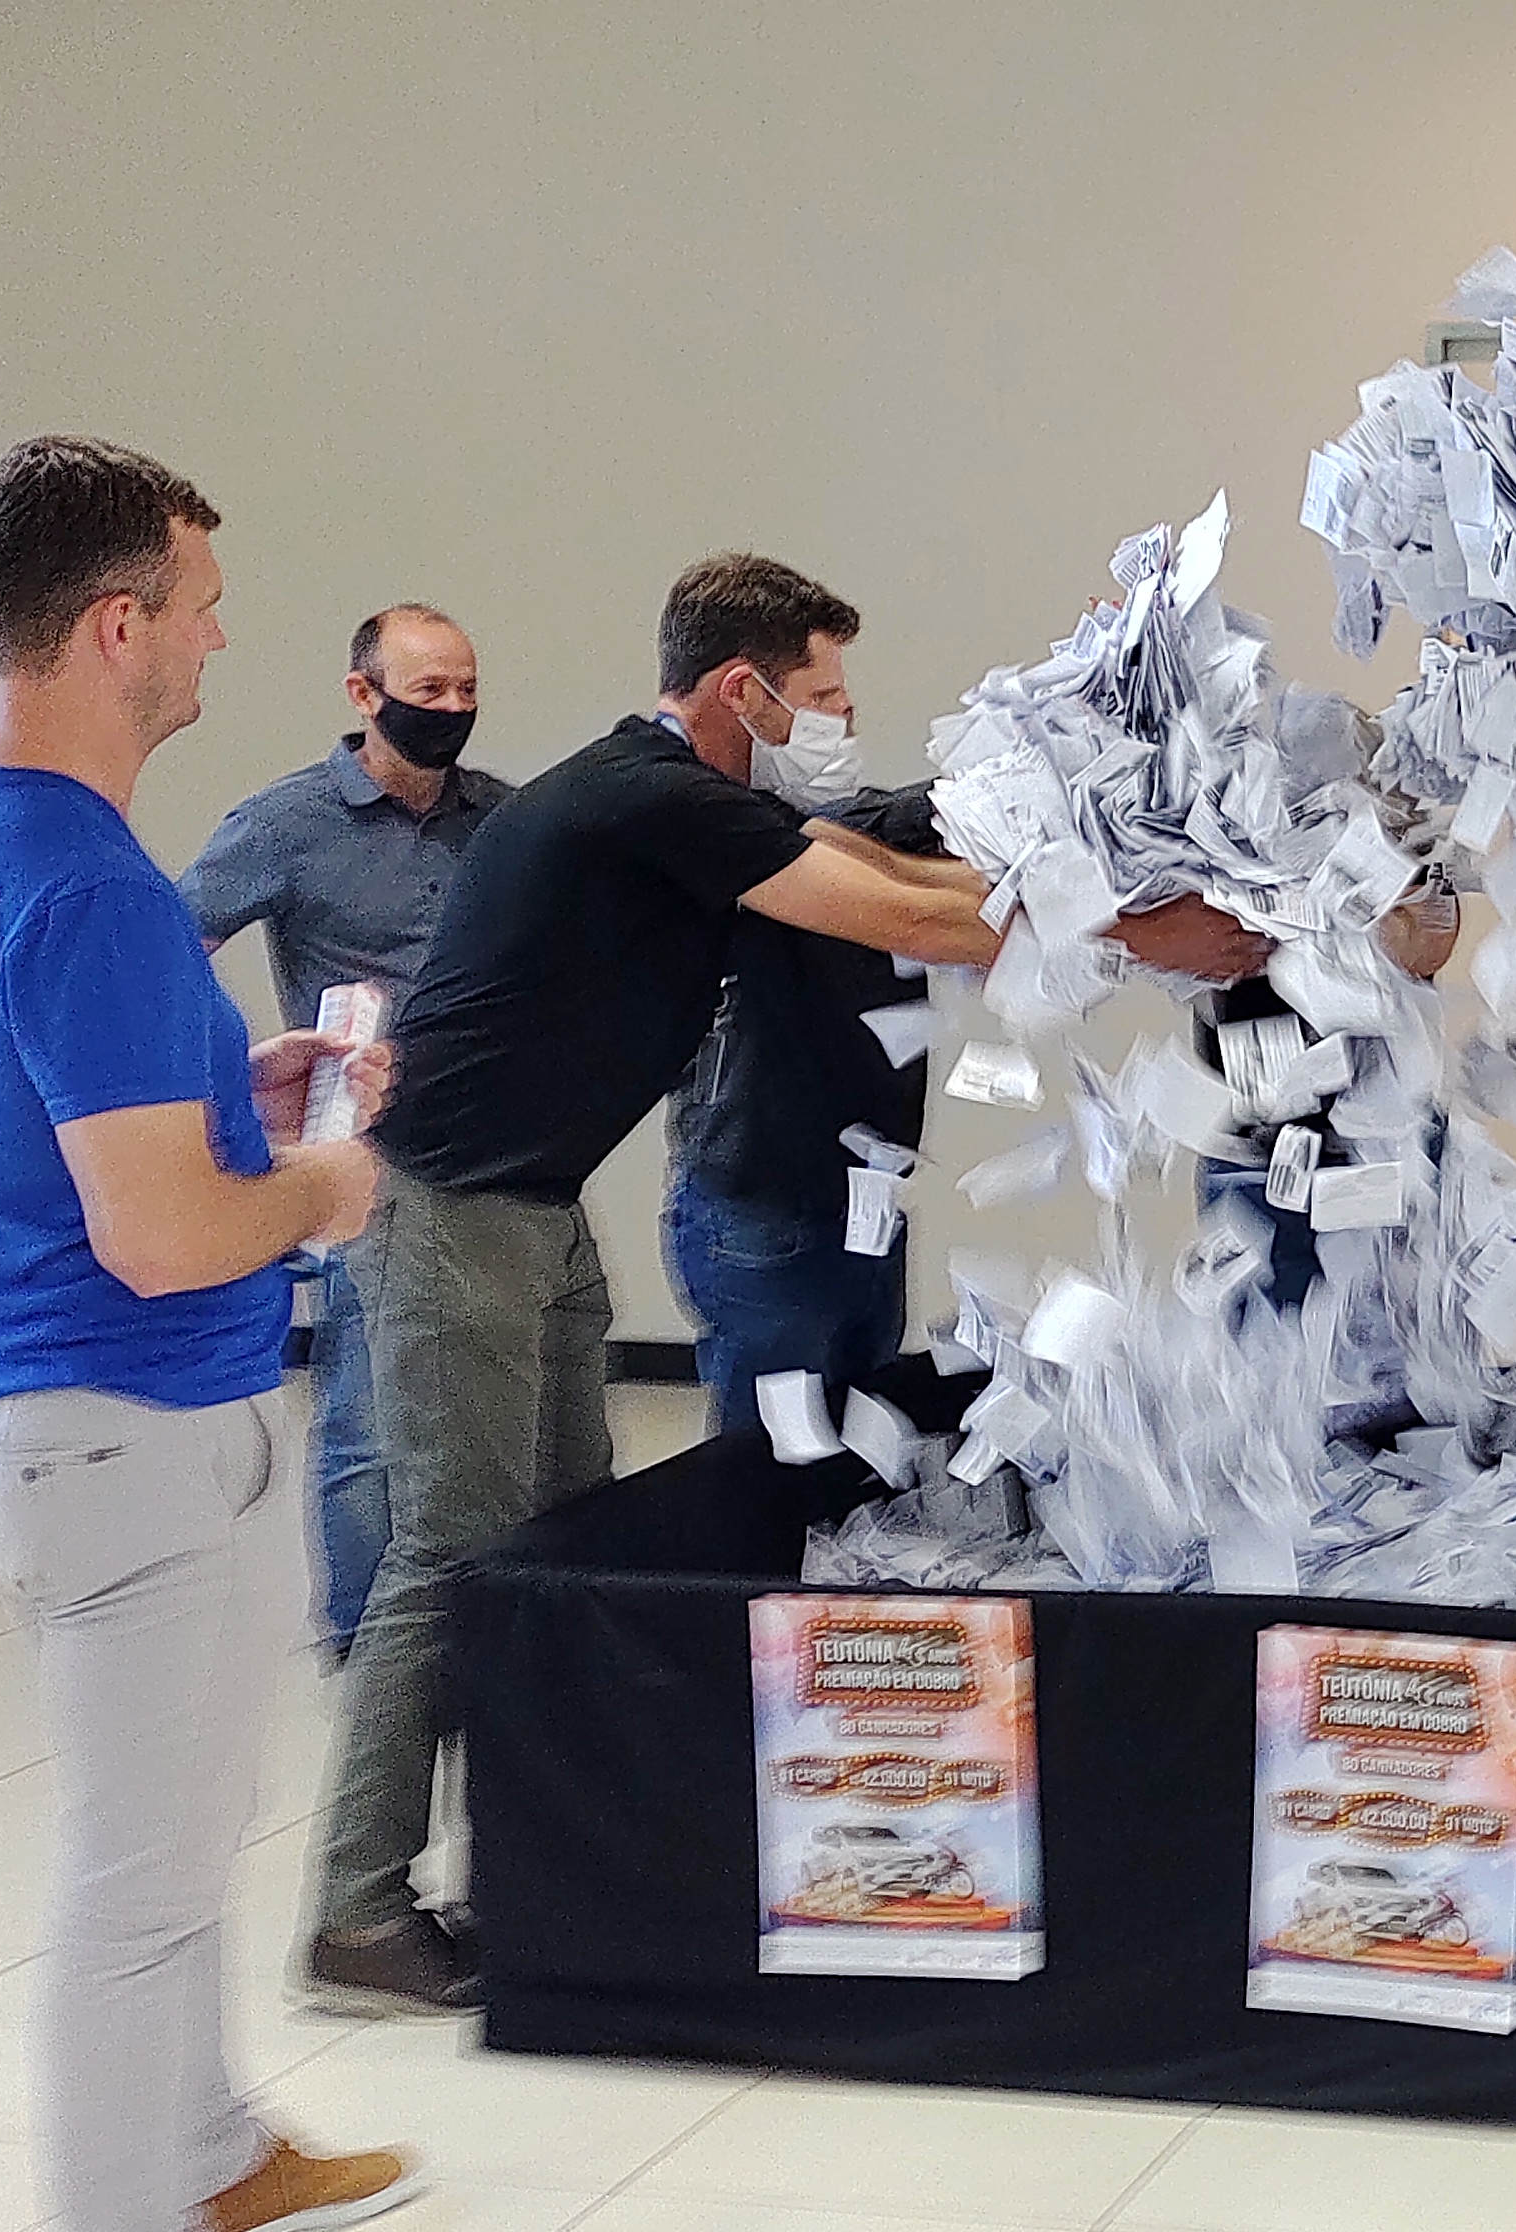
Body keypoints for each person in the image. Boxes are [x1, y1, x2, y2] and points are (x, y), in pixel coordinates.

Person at [305, 552, 1265, 2014]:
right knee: (455, 1554)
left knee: (555, 1550)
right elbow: (907, 921)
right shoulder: (647, 795)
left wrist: (1114, 889)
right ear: (740, 689)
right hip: (450, 1208)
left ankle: (525, 1873)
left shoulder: (703, 804)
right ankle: (359, 1909)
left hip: (535, 1207)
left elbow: (901, 875)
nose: (835, 721)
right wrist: (1142, 935)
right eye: (819, 696)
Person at [0, 436, 417, 2232]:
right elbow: (170, 1237)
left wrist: (227, 1092)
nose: (214, 642)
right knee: (142, 1875)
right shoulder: (87, 882)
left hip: (46, 1415)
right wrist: (325, 1183)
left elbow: (43, 1097)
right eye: (198, 608)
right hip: (122, 1430)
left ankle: (210, 2151)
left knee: (190, 1821)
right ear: (117, 626)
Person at [178, 603, 508, 1662]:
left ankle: (485, 1633)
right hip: (363, 1162)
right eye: (428, 691)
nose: (452, 709)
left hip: (495, 1153)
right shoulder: (286, 824)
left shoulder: (500, 820)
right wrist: (238, 1083)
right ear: (364, 695)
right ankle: (365, 1644)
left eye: (467, 689)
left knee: (495, 1409)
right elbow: (169, 952)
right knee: (369, 1415)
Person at [665, 779, 951, 1431]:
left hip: (863, 1200)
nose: (838, 725)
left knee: (858, 1434)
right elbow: (830, 830)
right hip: (766, 1204)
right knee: (772, 1451)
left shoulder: (860, 860)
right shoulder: (750, 846)